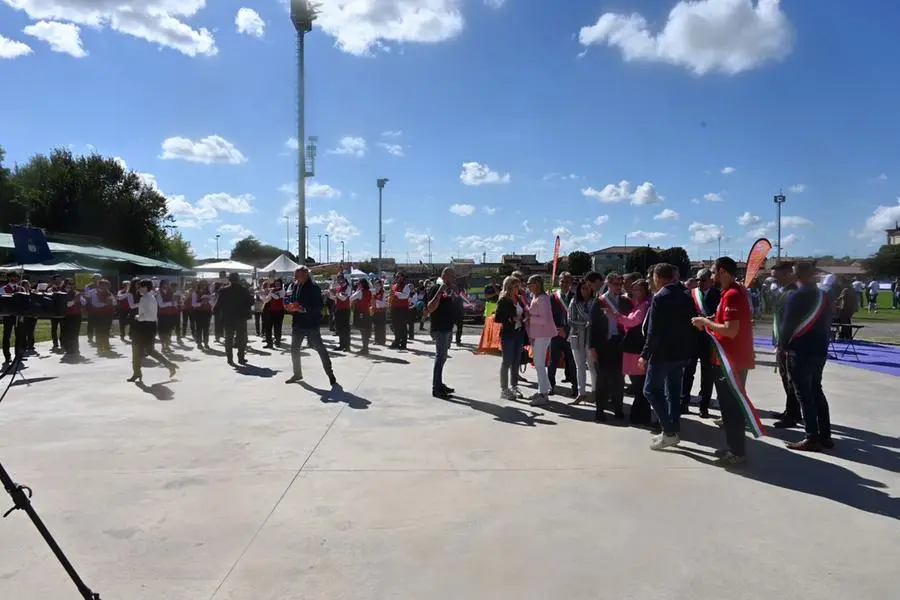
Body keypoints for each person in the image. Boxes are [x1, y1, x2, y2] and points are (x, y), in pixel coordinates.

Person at [691, 256, 755, 466]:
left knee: (732, 408)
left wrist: (704, 322)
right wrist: (710, 319)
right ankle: (733, 447)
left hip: (732, 360)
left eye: (713, 271)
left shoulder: (733, 295)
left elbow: (731, 330)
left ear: (723, 272)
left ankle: (737, 452)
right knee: (727, 408)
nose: (711, 275)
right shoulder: (728, 293)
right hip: (726, 358)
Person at [639, 263, 696, 449]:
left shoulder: (660, 297)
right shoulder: (686, 296)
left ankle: (669, 430)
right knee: (672, 392)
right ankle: (672, 430)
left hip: (662, 353)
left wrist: (645, 354)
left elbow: (653, 331)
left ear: (658, 277)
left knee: (651, 390)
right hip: (680, 353)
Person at [780, 262, 834, 452]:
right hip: (820, 348)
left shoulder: (797, 296)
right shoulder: (823, 295)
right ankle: (825, 434)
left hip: (801, 349)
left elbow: (787, 325)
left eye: (794, 271)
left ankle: (812, 437)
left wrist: (782, 346)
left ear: (799, 274)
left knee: (804, 394)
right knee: (816, 390)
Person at [285, 267, 337, 386]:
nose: (295, 278)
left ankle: (330, 373)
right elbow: (293, 299)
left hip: (311, 324)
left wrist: (304, 309)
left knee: (320, 349)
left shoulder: (314, 288)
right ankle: (297, 374)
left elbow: (319, 306)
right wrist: (291, 306)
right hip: (297, 323)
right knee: (294, 350)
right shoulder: (295, 286)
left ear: (305, 275)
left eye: (296, 275)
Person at [593, 272, 633, 420]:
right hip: (604, 344)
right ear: (608, 284)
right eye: (615, 284)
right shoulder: (599, 301)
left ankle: (618, 408)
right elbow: (593, 326)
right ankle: (600, 410)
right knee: (602, 378)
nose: (619, 287)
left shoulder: (625, 302)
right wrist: (592, 347)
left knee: (618, 378)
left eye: (620, 284)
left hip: (620, 343)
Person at [613, 279, 652, 426]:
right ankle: (640, 416)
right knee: (638, 384)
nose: (635, 292)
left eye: (638, 289)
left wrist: (615, 315)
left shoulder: (644, 305)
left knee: (639, 385)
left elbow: (632, 321)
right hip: (633, 347)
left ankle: (640, 417)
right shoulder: (639, 304)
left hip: (636, 348)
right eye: (634, 289)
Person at [682, 268, 720, 418]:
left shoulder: (719, 295)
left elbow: (722, 316)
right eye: (698, 280)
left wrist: (712, 318)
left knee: (707, 374)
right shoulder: (688, 295)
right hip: (691, 339)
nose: (700, 283)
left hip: (709, 340)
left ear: (711, 281)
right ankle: (683, 402)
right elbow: (683, 316)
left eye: (703, 280)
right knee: (688, 372)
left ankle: (704, 406)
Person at [770, 262, 801, 429]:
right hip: (781, 342)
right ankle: (791, 410)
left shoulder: (793, 293)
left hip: (789, 344)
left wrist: (785, 344)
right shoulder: (783, 292)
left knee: (791, 379)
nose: (775, 280)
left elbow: (790, 321)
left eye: (778, 277)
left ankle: (793, 414)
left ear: (789, 273)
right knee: (785, 376)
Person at [128, 279, 178, 383]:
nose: (138, 289)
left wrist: (138, 317)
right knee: (142, 349)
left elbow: (146, 314)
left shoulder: (146, 298)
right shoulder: (149, 297)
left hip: (145, 325)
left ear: (145, 287)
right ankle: (138, 372)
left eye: (140, 287)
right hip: (148, 325)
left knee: (142, 349)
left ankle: (138, 372)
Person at [425, 268, 457, 399]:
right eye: (453, 276)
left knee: (443, 358)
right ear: (446, 276)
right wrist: (439, 291)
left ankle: (439, 384)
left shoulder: (448, 290)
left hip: (447, 328)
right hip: (440, 328)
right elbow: (430, 308)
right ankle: (436, 388)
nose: (454, 279)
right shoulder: (435, 288)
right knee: (440, 357)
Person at [525, 274, 555, 406]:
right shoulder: (537, 297)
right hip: (538, 334)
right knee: (538, 364)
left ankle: (543, 394)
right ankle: (542, 389)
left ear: (537, 284)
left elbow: (543, 319)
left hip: (542, 334)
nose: (528, 286)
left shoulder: (542, 299)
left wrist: (529, 318)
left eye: (530, 283)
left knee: (539, 364)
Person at [494, 276, 525, 400]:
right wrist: (510, 319)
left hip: (519, 332)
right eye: (516, 286)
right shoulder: (503, 300)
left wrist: (525, 315)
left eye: (519, 285)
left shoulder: (518, 298)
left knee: (516, 361)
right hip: (508, 333)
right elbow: (497, 318)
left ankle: (514, 386)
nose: (518, 288)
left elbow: (523, 311)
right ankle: (504, 389)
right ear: (509, 287)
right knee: (507, 361)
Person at [567, 278, 596, 405]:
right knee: (579, 366)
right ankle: (581, 393)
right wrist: (585, 323)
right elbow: (570, 319)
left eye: (588, 288)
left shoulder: (595, 302)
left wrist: (589, 324)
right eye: (583, 288)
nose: (585, 290)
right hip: (576, 336)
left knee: (592, 366)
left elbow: (596, 319)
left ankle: (595, 392)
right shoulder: (574, 301)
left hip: (590, 338)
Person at [549, 271, 577, 397]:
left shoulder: (576, 297)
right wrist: (556, 328)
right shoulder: (553, 297)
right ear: (558, 282)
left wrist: (566, 330)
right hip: (555, 334)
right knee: (552, 361)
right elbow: (549, 315)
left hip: (570, 334)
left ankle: (575, 387)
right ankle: (551, 386)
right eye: (561, 281)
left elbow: (577, 317)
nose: (564, 283)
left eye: (566, 281)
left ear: (570, 282)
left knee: (572, 362)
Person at [217, 272, 253, 366]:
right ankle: (241, 358)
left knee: (228, 339)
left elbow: (219, 303)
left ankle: (230, 359)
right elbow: (251, 302)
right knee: (241, 339)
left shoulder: (223, 290)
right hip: (240, 317)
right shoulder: (243, 290)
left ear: (229, 279)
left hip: (228, 317)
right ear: (238, 279)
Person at [1, 272, 23, 364]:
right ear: (9, 278)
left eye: (16, 276)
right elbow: (2, 301)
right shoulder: (3, 289)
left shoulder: (21, 288)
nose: (15, 278)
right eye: (13, 277)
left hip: (18, 316)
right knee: (7, 336)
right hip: (8, 316)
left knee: (19, 336)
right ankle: (7, 356)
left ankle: (18, 355)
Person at [350, 278, 374, 354]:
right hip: (366, 312)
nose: (358, 285)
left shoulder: (360, 291)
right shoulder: (369, 291)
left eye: (359, 284)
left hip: (361, 312)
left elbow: (351, 298)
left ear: (361, 284)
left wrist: (357, 290)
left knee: (363, 331)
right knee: (365, 331)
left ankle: (365, 349)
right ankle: (365, 348)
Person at [389, 273, 412, 349]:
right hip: (394, 308)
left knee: (402, 326)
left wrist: (395, 293)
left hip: (402, 309)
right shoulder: (394, 285)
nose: (396, 278)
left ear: (402, 278)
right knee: (395, 326)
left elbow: (405, 296)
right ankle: (396, 342)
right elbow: (392, 296)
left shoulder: (406, 286)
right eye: (396, 277)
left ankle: (403, 344)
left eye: (398, 277)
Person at [372, 279, 388, 345]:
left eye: (378, 285)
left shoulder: (383, 292)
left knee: (381, 326)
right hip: (375, 311)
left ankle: (382, 340)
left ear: (381, 285)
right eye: (376, 285)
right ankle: (376, 340)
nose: (377, 286)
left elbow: (382, 302)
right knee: (376, 326)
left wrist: (375, 298)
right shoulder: (375, 292)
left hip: (381, 311)